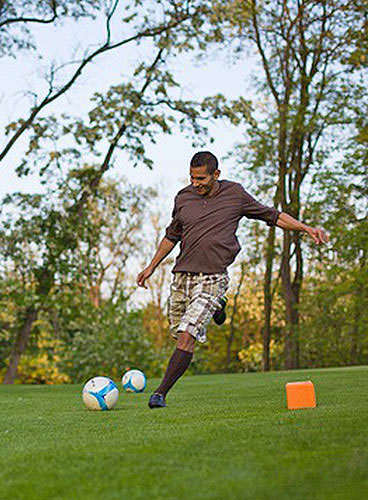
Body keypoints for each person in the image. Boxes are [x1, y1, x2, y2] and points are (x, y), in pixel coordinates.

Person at [136, 151, 328, 409]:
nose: (196, 183)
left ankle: (160, 393)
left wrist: (306, 228)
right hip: (182, 277)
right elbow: (172, 236)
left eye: (202, 178)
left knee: (187, 334)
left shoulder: (235, 194)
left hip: (213, 277)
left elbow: (273, 216)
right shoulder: (183, 197)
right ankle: (219, 305)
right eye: (192, 178)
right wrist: (151, 266)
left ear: (216, 174)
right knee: (177, 330)